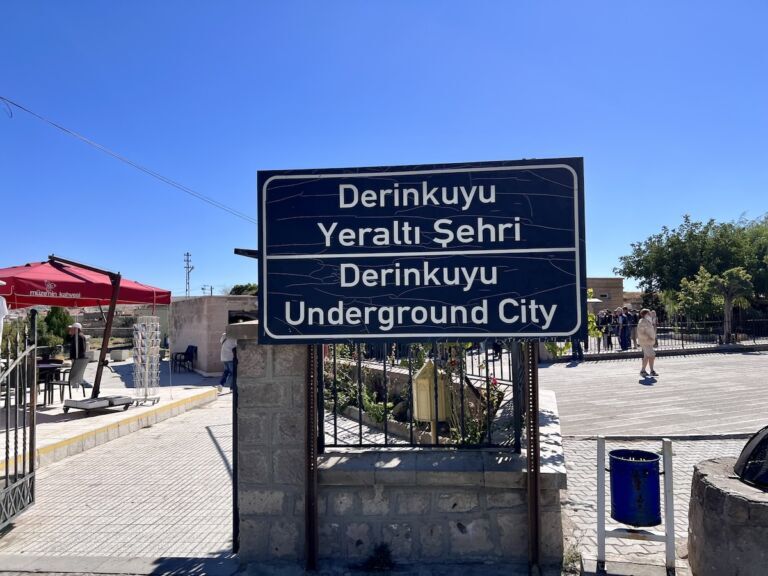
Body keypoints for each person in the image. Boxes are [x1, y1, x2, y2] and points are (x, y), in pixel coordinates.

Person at [637, 308, 658, 377]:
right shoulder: (642, 321)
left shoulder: (647, 321)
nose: (650, 314)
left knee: (646, 357)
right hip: (645, 342)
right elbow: (640, 333)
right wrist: (649, 338)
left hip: (648, 342)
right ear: (645, 314)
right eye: (649, 313)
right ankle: (652, 371)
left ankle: (643, 371)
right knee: (652, 355)